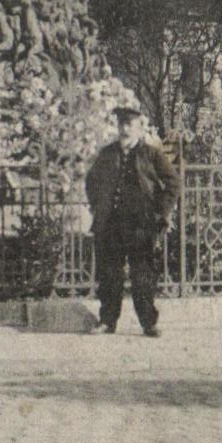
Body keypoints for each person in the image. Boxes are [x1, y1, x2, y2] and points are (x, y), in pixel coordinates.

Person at [85, 105, 179, 337]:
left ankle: (149, 323)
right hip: (111, 224)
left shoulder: (151, 154)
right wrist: (98, 206)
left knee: (143, 275)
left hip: (141, 225)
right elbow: (91, 181)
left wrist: (160, 212)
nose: (125, 129)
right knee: (109, 275)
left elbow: (173, 184)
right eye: (121, 125)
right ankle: (107, 321)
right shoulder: (107, 154)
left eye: (129, 125)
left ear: (139, 128)